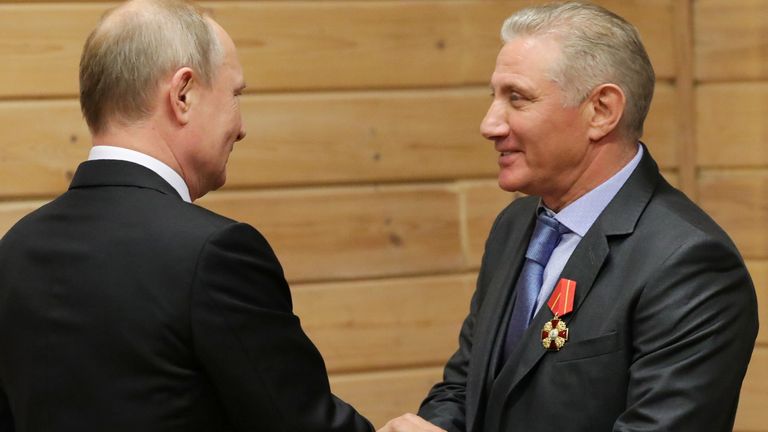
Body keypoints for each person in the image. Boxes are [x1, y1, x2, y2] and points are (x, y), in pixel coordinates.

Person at [379, 2, 759, 431]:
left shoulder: (689, 263)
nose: (490, 124)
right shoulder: (516, 225)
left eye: (517, 98)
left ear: (601, 111)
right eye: (494, 97)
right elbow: (468, 383)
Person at [0, 1, 373, 431]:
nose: (242, 126)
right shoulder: (214, 254)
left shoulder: (14, 249)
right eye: (235, 95)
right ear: (183, 95)